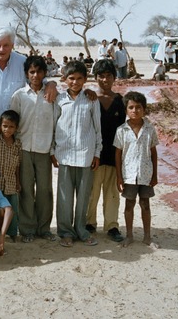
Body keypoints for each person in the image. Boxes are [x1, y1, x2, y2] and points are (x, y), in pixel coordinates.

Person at [0, 26, 57, 144]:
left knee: (16, 161)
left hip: (17, 125)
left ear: (12, 45)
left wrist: (52, 84)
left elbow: (38, 79)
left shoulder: (22, 61)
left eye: (6, 45)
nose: (1, 49)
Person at [52, 61, 102, 247]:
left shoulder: (90, 99)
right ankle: (65, 232)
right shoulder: (59, 99)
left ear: (85, 79)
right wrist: (52, 151)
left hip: (85, 154)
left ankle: (81, 230)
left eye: (79, 78)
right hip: (64, 155)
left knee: (83, 196)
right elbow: (53, 126)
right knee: (64, 196)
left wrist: (97, 152)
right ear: (64, 79)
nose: (75, 82)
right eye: (71, 78)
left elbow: (97, 128)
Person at [10, 55, 59, 242]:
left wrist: (54, 150)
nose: (35, 75)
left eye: (39, 71)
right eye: (32, 71)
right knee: (26, 190)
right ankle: (28, 229)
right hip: (24, 149)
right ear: (26, 74)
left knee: (45, 190)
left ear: (45, 73)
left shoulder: (52, 95)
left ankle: (44, 228)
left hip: (45, 150)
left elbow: (56, 124)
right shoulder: (19, 96)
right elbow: (12, 124)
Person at [85, 59, 126, 242]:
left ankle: (112, 226)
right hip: (94, 156)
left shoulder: (121, 102)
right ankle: (89, 223)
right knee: (91, 192)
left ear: (114, 78)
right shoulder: (90, 100)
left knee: (112, 193)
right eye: (101, 76)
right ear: (95, 78)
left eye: (109, 76)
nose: (105, 79)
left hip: (114, 155)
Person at [114, 91, 159, 248]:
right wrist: (119, 177)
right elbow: (118, 155)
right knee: (129, 205)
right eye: (131, 107)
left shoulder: (150, 129)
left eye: (138, 107)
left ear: (144, 109)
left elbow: (153, 153)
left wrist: (155, 175)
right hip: (129, 175)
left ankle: (147, 237)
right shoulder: (121, 130)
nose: (135, 111)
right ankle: (129, 235)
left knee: (145, 204)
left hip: (146, 174)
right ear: (126, 110)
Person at [0, 110, 22, 241]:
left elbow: (18, 165)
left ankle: (12, 232)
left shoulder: (17, 144)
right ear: (0, 126)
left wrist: (18, 182)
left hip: (11, 183)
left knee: (12, 208)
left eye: (11, 126)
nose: (7, 129)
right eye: (5, 126)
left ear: (16, 128)